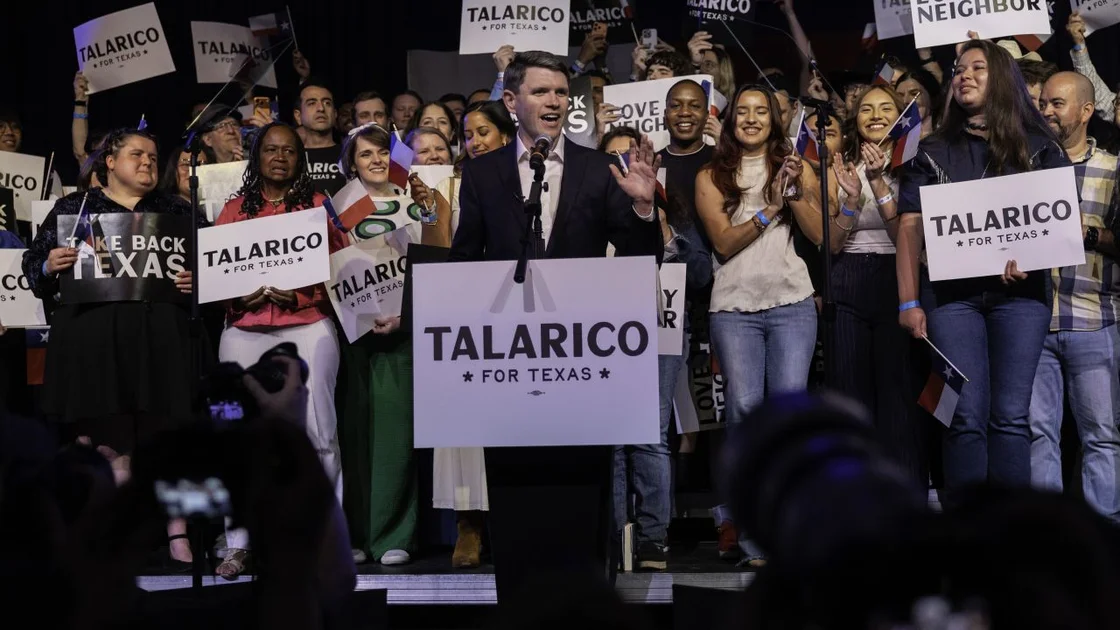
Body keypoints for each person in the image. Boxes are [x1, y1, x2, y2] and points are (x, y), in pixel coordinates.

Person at [448, 50, 663, 599]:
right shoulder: (480, 173)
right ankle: (520, 602)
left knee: (579, 491)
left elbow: (641, 261)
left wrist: (642, 210)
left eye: (561, 94)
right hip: (509, 359)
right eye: (542, 92)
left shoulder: (598, 168)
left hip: (579, 362)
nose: (554, 102)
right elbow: (465, 261)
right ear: (511, 99)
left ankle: (588, 604)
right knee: (518, 492)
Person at [21, 126, 207, 567]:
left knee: (167, 436)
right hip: (95, 337)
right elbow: (32, 268)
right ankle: (123, 533)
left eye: (152, 156)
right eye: (137, 154)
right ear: (110, 161)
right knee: (111, 443)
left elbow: (215, 264)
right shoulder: (76, 209)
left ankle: (177, 533)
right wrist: (48, 263)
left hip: (160, 335)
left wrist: (196, 281)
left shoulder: (174, 209)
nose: (147, 162)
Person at [896, 40, 1070, 500]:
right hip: (951, 302)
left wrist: (1029, 258)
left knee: (1011, 416)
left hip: (1021, 298)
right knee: (964, 415)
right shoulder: (930, 150)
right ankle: (967, 534)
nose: (963, 75)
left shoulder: (1041, 149)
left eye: (978, 67)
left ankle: (1012, 535)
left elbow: (1054, 224)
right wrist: (909, 301)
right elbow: (910, 231)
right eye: (958, 68)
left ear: (1004, 79)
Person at [694, 84, 824, 565]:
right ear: (730, 122)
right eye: (742, 112)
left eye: (761, 112)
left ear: (774, 119)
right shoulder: (711, 174)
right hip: (734, 309)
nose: (751, 119)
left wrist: (793, 194)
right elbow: (724, 245)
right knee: (744, 419)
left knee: (788, 420)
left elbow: (820, 236)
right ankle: (752, 538)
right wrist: (770, 207)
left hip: (792, 301)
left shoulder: (797, 166)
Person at [212, 122, 347, 578]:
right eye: (271, 150)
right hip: (244, 328)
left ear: (299, 158)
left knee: (319, 431)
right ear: (257, 157)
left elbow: (342, 276)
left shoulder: (316, 209)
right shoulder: (233, 210)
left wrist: (304, 297)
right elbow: (216, 276)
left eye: (289, 151)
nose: (280, 157)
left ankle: (323, 536)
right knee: (236, 433)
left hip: (308, 325)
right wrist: (236, 298)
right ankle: (241, 544)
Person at [407, 101, 516, 569]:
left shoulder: (525, 178)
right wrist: (432, 212)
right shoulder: (445, 183)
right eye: (468, 135)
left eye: (484, 133)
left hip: (515, 309)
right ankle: (468, 522)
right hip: (462, 312)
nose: (474, 142)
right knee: (464, 424)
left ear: (508, 137)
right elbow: (438, 254)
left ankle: (512, 522)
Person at [614, 79, 716, 571]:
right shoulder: (590, 219)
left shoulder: (672, 209)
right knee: (611, 436)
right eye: (614, 163)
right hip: (600, 332)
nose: (625, 171)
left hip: (663, 328)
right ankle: (616, 534)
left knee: (651, 434)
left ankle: (652, 537)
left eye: (634, 163)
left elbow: (697, 273)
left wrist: (656, 216)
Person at [825, 85, 927, 485]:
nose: (876, 114)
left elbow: (907, 237)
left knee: (899, 398)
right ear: (855, 118)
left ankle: (907, 507)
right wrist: (851, 198)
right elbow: (831, 243)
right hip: (848, 280)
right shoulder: (840, 164)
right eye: (866, 108)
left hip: (899, 282)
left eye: (887, 107)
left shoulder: (916, 162)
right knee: (852, 401)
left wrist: (880, 182)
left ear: (901, 117)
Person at [1030, 72, 1120, 524]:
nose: (1046, 110)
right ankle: (1047, 536)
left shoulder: (1113, 168)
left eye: (1057, 103)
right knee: (1036, 433)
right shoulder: (1021, 167)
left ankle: (1104, 534)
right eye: (1043, 102)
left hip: (1094, 317)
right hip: (1031, 322)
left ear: (1086, 111)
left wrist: (1083, 231)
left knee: (1101, 435)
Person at [333, 122, 419, 567]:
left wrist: (405, 315)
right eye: (366, 154)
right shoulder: (337, 208)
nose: (376, 161)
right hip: (353, 332)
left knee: (396, 434)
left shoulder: (414, 202)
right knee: (353, 433)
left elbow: (425, 263)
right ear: (351, 161)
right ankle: (355, 534)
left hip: (401, 331)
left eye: (382, 153)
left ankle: (393, 534)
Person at [293, 81, 346, 196]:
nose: (321, 108)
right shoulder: (289, 158)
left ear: (335, 114)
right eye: (312, 103)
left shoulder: (350, 154)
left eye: (327, 103)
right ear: (298, 116)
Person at [894, 68, 942, 139]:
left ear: (933, 98)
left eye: (914, 94)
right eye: (900, 96)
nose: (905, 101)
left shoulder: (947, 142)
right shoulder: (891, 143)